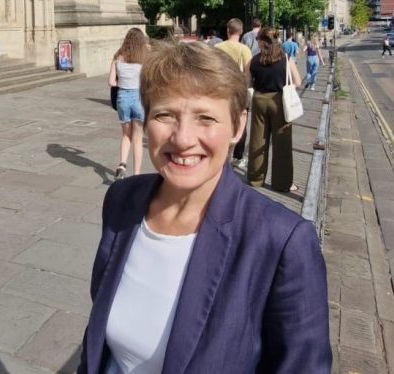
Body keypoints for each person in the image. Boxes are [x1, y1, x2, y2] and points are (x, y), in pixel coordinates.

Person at [77, 40, 330, 373]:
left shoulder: (281, 241)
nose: (183, 138)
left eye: (206, 118)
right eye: (165, 114)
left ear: (238, 127)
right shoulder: (123, 200)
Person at [246, 27, 302, 192]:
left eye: (258, 39)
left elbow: (246, 83)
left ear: (263, 41)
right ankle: (282, 183)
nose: (257, 42)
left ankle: (256, 179)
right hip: (280, 101)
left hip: (259, 100)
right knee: (282, 143)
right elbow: (298, 82)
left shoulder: (253, 60)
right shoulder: (286, 59)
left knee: (257, 140)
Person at [108, 28, 149, 180]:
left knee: (126, 135)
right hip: (138, 98)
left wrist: (123, 81)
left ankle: (122, 164)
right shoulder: (144, 58)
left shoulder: (118, 57)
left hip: (122, 98)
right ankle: (136, 174)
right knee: (138, 138)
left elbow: (111, 82)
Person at [215, 18, 253, 169]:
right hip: (237, 90)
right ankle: (237, 155)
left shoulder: (218, 47)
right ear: (241, 31)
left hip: (220, 89)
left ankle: (220, 150)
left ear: (227, 30)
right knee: (240, 124)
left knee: (220, 119)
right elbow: (248, 73)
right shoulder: (244, 49)